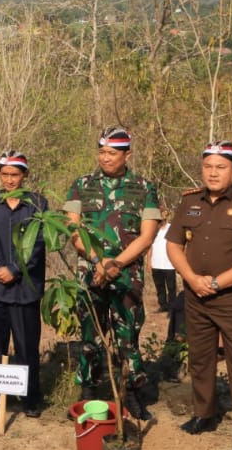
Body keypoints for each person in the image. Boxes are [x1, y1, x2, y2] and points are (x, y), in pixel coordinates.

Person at [164, 140, 232, 450]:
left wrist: (218, 283)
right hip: (195, 296)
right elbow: (173, 245)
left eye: (220, 167)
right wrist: (191, 278)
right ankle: (203, 414)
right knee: (200, 358)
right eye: (208, 166)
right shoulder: (189, 201)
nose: (213, 173)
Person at [64, 126, 161, 419]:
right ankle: (88, 393)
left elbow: (147, 236)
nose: (105, 158)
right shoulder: (81, 185)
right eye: (102, 152)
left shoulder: (144, 188)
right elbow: (73, 229)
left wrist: (115, 264)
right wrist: (98, 260)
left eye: (112, 153)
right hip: (90, 271)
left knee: (127, 335)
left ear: (127, 155)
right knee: (90, 333)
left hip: (126, 275)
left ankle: (130, 393)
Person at [0, 150, 48, 418]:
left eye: (15, 174)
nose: (9, 180)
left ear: (24, 175)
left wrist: (16, 269)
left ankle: (29, 397)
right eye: (4, 174)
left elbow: (39, 243)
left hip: (26, 289)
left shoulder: (37, 204)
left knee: (27, 346)